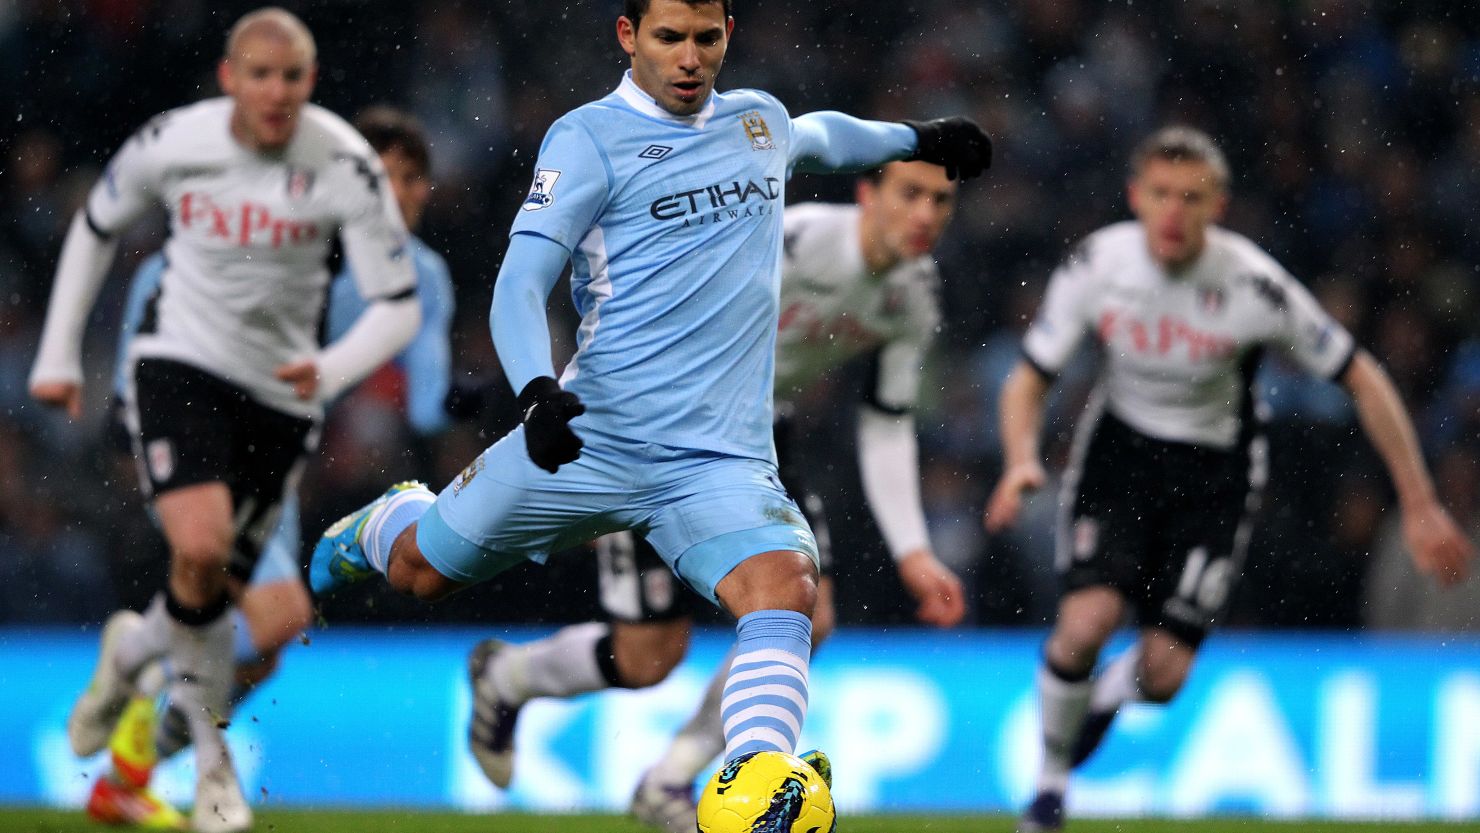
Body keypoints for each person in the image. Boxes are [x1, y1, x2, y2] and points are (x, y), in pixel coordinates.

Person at [309, 0, 989, 824]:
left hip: (720, 462)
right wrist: (535, 390)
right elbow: (521, 281)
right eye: (670, 38)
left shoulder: (757, 123)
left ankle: (754, 781)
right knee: (423, 571)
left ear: (728, 35)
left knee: (787, 588)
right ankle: (389, 520)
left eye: (707, 39)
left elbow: (820, 135)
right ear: (629, 36)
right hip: (591, 438)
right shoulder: (586, 138)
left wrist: (916, 138)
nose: (690, 58)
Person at [981, 126, 1474, 833]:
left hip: (1215, 476)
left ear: (1218, 204)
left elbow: (1363, 375)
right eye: (1160, 194)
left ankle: (1115, 687)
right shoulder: (1099, 264)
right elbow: (1030, 376)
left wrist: (1420, 502)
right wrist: (1022, 455)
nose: (1174, 212)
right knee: (1084, 623)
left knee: (1165, 674)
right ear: (1135, 197)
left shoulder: (1253, 284)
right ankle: (1049, 790)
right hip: (1120, 459)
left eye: (1192, 196)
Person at [459, 160, 970, 831]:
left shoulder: (916, 290)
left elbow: (886, 423)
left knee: (808, 616)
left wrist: (913, 550)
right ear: (867, 195)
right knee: (650, 656)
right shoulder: (796, 240)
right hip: (661, 423)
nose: (926, 214)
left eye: (942, 199)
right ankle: (512, 677)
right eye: (911, 195)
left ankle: (670, 779)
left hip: (759, 435)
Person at [28, 10, 421, 832]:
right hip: (179, 373)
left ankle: (133, 661)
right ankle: (210, 774)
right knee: (211, 559)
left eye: (292, 77)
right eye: (261, 74)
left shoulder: (341, 166)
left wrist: (333, 372)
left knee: (242, 613)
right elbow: (98, 225)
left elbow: (399, 310)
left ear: (311, 81)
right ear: (228, 76)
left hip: (278, 405)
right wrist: (61, 353)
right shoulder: (176, 141)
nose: (276, 92)